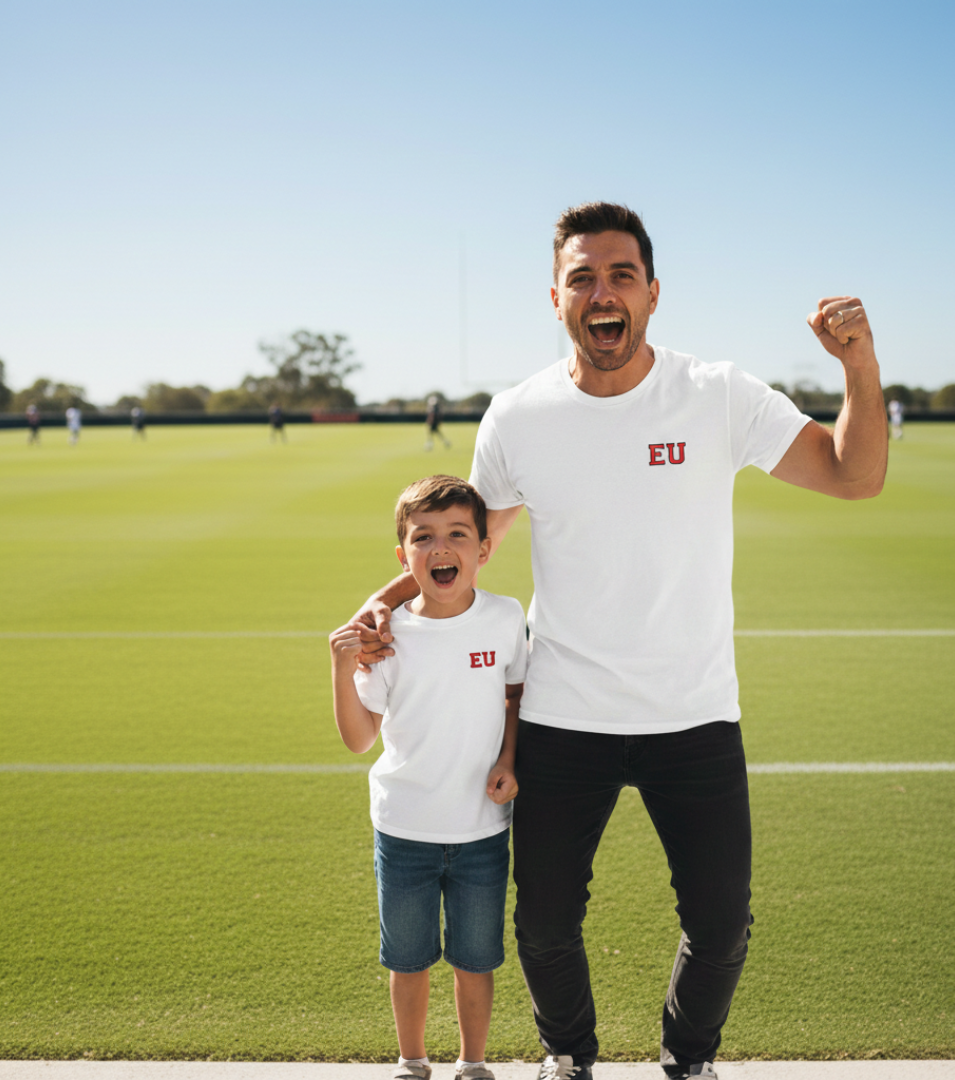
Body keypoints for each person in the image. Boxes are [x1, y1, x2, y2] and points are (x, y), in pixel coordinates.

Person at [348, 203, 888, 1080]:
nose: (603, 292)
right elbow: (465, 545)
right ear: (556, 297)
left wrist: (858, 366)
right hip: (566, 713)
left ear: (652, 293)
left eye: (621, 275)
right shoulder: (519, 416)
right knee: (543, 924)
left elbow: (856, 475)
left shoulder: (715, 393)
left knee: (722, 924)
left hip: (696, 709)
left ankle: (688, 1059)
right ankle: (569, 1055)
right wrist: (379, 606)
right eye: (583, 277)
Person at [330, 475, 528, 1080]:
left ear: (483, 550)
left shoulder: (504, 617)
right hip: (405, 829)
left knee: (476, 960)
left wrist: (509, 760)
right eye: (423, 537)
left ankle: (473, 1064)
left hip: (481, 830)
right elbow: (360, 738)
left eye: (457, 535)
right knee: (409, 960)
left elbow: (517, 696)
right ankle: (412, 1061)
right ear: (403, 556)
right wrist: (338, 667)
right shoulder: (386, 636)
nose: (441, 548)